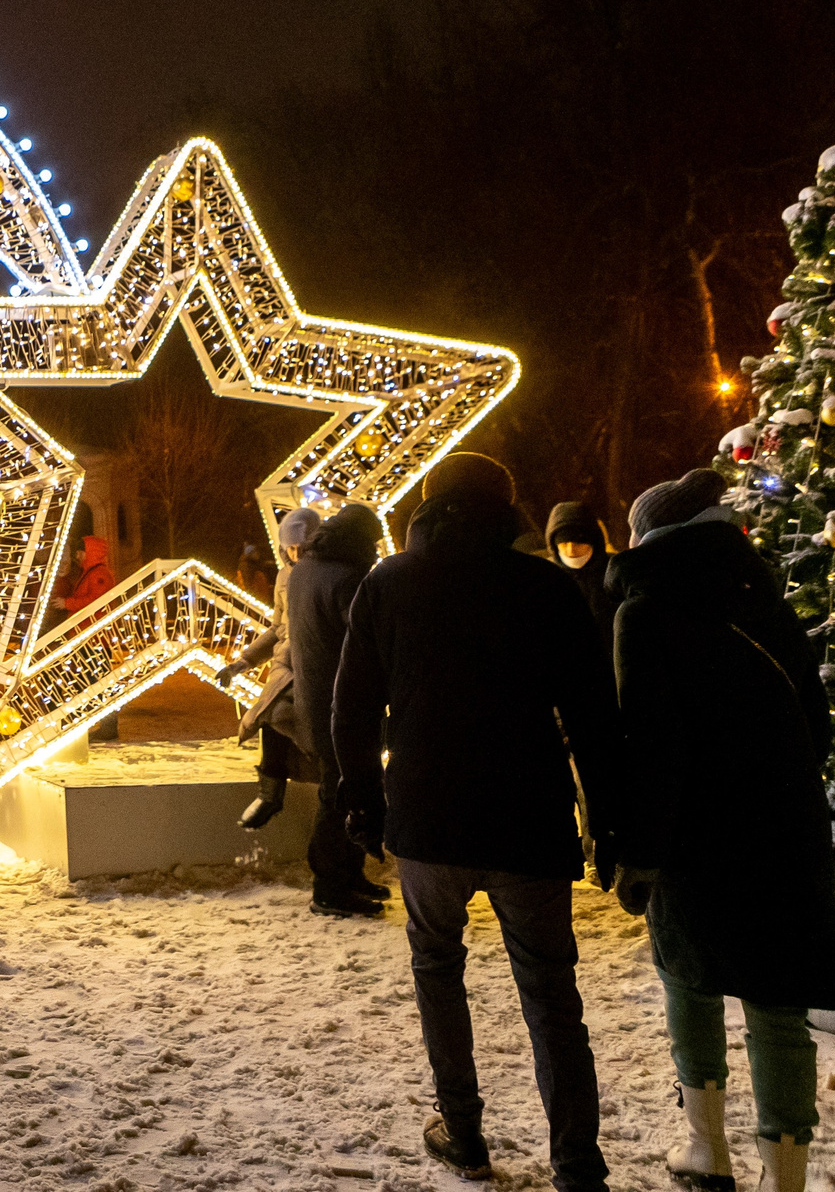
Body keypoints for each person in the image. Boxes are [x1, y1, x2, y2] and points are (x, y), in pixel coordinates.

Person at [333, 452, 623, 1192]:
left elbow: (353, 707)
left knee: (437, 966)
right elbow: (594, 717)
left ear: (427, 509)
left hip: (429, 816)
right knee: (552, 992)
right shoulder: (549, 589)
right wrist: (610, 817)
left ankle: (463, 1132)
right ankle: (577, 1163)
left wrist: (362, 798)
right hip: (528, 817)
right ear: (510, 509)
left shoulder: (389, 582)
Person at [607, 470, 835, 1192]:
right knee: (777, 1006)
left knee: (689, 977)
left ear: (651, 537)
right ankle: (787, 1178)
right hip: (785, 830)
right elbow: (817, 724)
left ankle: (706, 1146)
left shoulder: (643, 612)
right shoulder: (766, 604)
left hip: (695, 839)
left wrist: (637, 855)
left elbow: (651, 747)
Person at [278, 503, 385, 916]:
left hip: (315, 697)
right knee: (340, 791)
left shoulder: (305, 570)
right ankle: (329, 886)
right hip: (344, 701)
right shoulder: (348, 578)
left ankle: (346, 875)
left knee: (342, 786)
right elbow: (364, 640)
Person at [222, 506, 320, 831]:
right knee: (271, 716)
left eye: (304, 546)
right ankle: (271, 792)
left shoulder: (328, 573)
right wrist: (244, 661)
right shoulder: (282, 575)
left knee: (280, 715)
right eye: (292, 547)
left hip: (316, 665)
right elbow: (277, 628)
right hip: (284, 665)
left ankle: (296, 787)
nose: (297, 553)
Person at [544, 502, 617, 666]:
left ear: (593, 541)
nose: (571, 551)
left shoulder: (615, 569)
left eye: (578, 543)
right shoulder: (545, 576)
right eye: (563, 544)